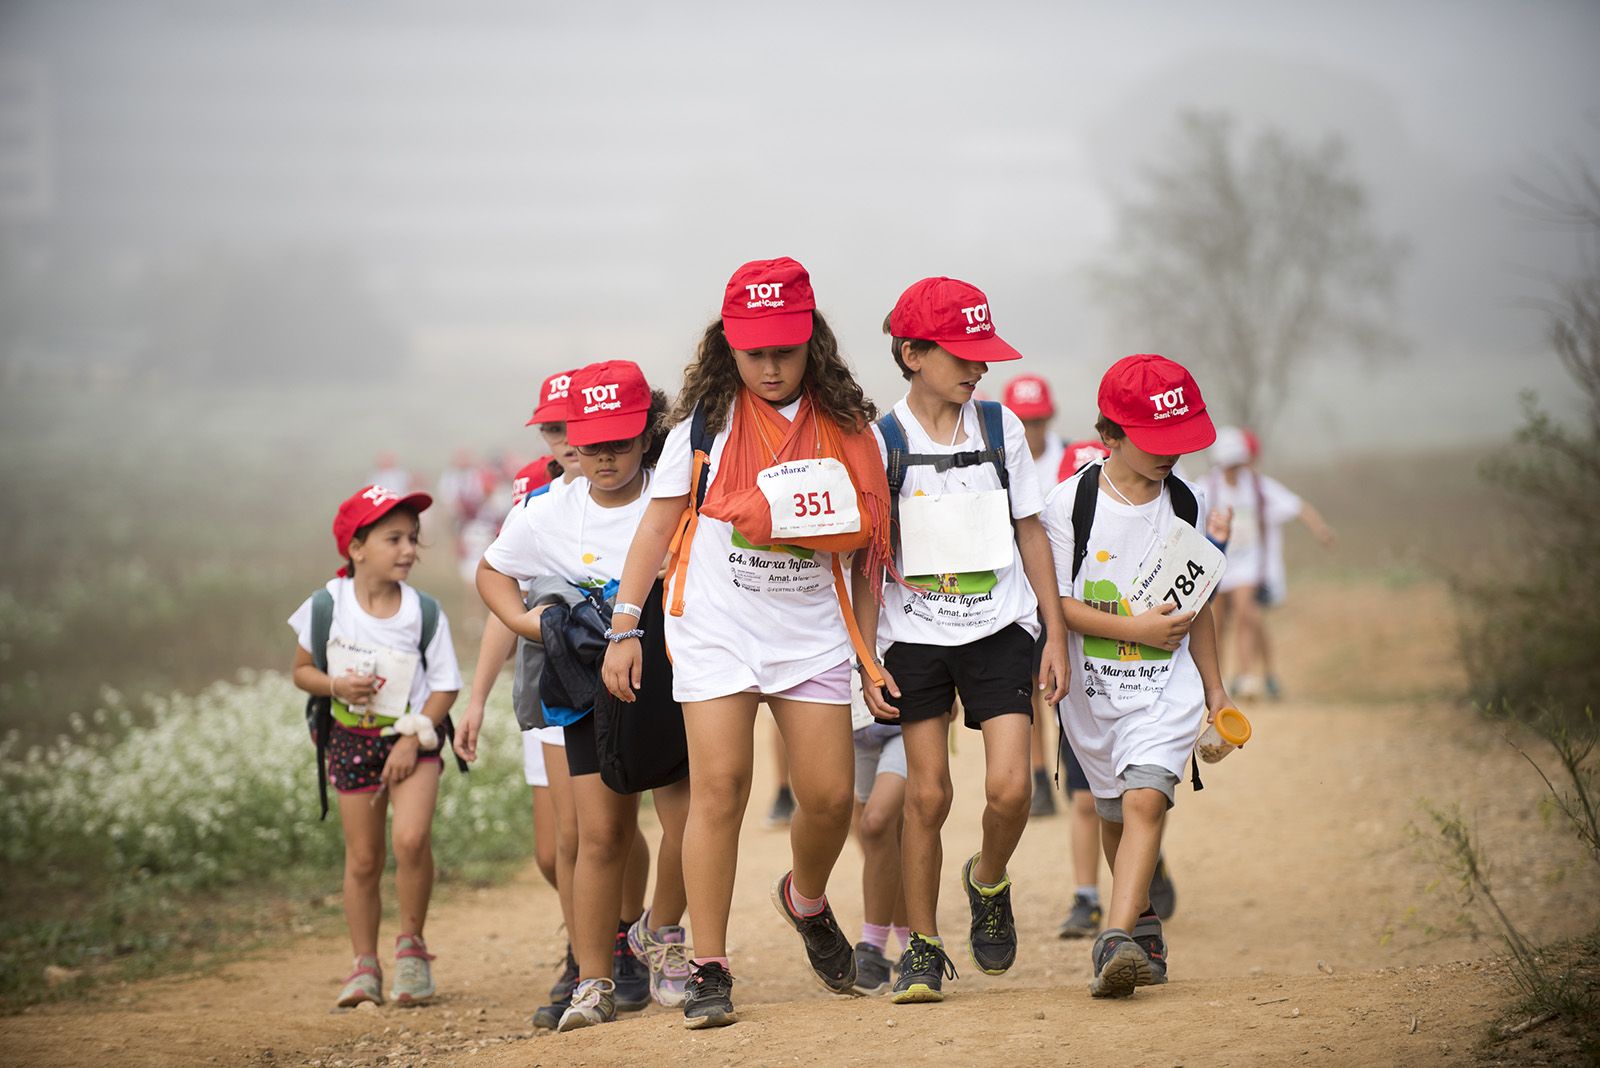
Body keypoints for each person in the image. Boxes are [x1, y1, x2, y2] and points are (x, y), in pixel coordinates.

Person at [601, 256, 892, 1029]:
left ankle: (804, 897)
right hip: (716, 627)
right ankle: (709, 966)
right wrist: (625, 627)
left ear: (812, 343)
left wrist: (868, 655)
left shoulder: (848, 427)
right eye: (752, 349)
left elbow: (865, 544)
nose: (769, 365)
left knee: (829, 798)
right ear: (727, 343)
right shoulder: (704, 424)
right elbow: (657, 525)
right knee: (720, 790)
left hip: (812, 632)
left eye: (784, 349)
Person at [854, 277, 1070, 1005]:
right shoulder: (880, 442)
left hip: (1001, 629)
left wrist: (1055, 631)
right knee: (928, 795)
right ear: (912, 354)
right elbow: (863, 558)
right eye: (963, 354)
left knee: (1011, 789)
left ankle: (987, 879)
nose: (978, 368)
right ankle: (921, 946)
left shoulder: (1002, 428)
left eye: (985, 355)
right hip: (913, 638)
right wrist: (865, 655)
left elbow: (1031, 530)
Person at [477, 360, 691, 1032]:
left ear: (647, 433)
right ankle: (593, 982)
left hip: (675, 677)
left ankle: (663, 934)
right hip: (584, 685)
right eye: (590, 443)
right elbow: (493, 573)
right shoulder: (545, 510)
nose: (603, 458)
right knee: (602, 836)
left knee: (687, 823)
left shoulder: (677, 492)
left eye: (620, 443)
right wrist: (529, 623)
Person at [1039, 353, 1232, 998]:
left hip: (1165, 687)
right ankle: (1143, 919)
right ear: (1110, 435)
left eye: (1180, 443)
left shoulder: (1187, 501)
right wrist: (1136, 630)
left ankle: (1114, 941)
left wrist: (1215, 690)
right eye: (1156, 443)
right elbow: (1057, 604)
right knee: (1113, 813)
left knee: (1148, 797)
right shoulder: (1070, 506)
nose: (1171, 456)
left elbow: (1196, 601)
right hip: (1093, 692)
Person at [289, 485, 463, 1009]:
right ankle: (364, 966)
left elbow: (446, 685)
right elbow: (301, 672)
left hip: (413, 739)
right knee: (363, 859)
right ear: (357, 548)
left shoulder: (423, 612)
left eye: (413, 539)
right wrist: (335, 687)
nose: (409, 549)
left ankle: (412, 947)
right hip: (350, 740)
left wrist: (414, 736)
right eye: (394, 538)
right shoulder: (325, 606)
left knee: (410, 841)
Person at [1204, 426, 1336, 699]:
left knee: (1245, 613)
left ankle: (1246, 676)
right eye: (1228, 465)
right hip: (1219, 560)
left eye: (1237, 464)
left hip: (1249, 564)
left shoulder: (1256, 486)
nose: (1233, 470)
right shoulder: (1207, 486)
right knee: (1217, 623)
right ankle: (1218, 680)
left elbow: (1297, 505)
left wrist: (1320, 529)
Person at [1002, 373, 1068, 819]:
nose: (1032, 430)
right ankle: (1040, 776)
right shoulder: (1000, 458)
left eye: (1039, 420)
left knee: (1071, 685)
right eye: (1024, 421)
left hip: (1068, 593)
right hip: (1018, 591)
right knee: (1028, 690)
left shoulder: (1073, 460)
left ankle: (1081, 771)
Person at [847, 668, 909, 996]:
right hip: (851, 726)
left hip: (905, 719)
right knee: (886, 840)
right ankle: (911, 945)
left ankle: (871, 947)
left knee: (875, 824)